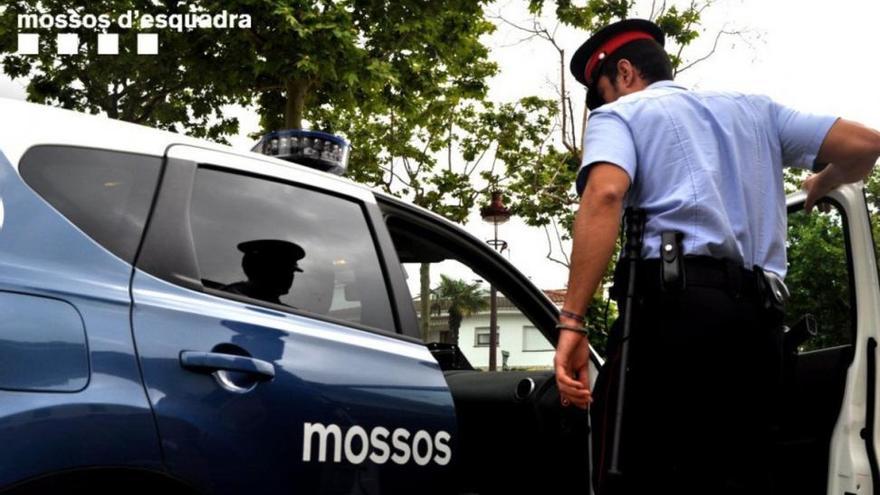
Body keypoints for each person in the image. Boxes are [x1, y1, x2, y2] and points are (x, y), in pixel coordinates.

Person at [553, 18, 880, 494]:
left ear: (624, 73)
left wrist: (572, 322)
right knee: (740, 473)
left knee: (639, 469)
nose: (605, 105)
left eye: (603, 92)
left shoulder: (621, 116)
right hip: (760, 328)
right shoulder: (756, 111)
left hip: (673, 319)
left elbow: (604, 195)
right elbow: (867, 145)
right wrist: (823, 182)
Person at [223, 239, 305, 305]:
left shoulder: (280, 309)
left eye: (292, 272)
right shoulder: (229, 302)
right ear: (261, 271)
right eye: (285, 271)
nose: (290, 277)